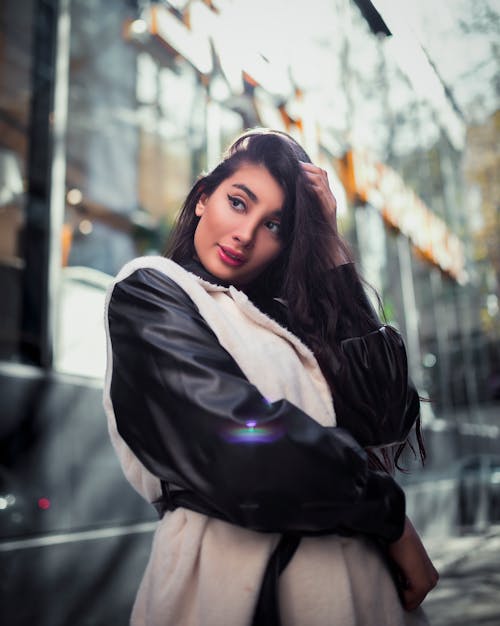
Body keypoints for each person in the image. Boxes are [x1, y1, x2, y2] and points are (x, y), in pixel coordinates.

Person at [103, 128, 438, 626]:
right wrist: (389, 516)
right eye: (238, 203)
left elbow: (384, 415)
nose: (245, 234)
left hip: (361, 594)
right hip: (234, 593)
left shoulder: (289, 319)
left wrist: (328, 249)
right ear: (202, 199)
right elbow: (242, 449)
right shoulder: (153, 290)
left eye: (275, 226)